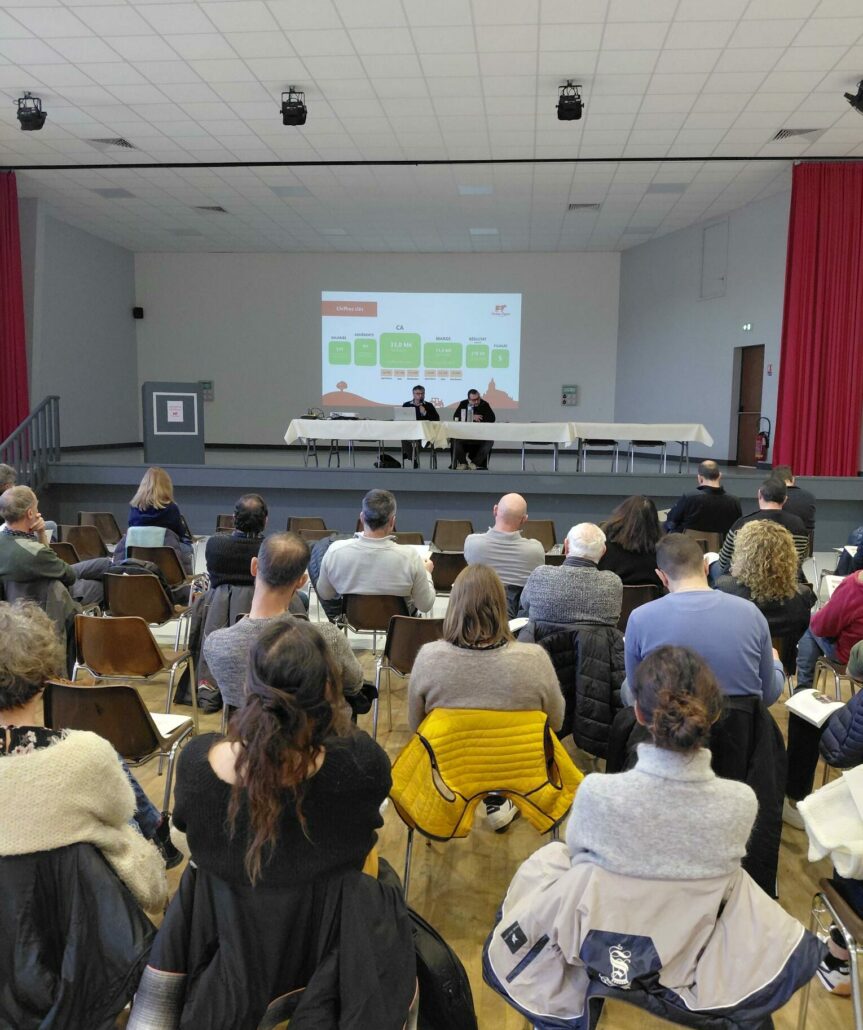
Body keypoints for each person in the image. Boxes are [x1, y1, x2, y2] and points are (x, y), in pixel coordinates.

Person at [177, 619, 390, 887]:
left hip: (222, 914)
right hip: (332, 911)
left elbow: (184, 826)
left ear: (248, 687)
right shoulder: (362, 763)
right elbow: (369, 821)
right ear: (327, 689)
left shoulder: (195, 763)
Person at [0, 601, 168, 910]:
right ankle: (162, 835)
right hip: (78, 914)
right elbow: (121, 814)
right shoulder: (86, 753)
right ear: (44, 680)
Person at [567, 646, 757, 879]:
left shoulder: (596, 793)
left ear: (637, 712)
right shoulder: (742, 803)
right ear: (714, 715)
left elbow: (576, 858)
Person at [408, 564, 564, 831]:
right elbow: (557, 722)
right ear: (502, 607)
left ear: (454, 605)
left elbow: (416, 726)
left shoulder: (428, 658)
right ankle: (500, 797)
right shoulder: (535, 659)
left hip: (450, 770)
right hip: (521, 768)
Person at [204, 532, 363, 713]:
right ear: (301, 581)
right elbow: (354, 685)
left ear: (254, 566)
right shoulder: (328, 638)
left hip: (249, 729)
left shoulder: (216, 644)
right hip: (313, 729)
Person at [625, 534, 784, 705]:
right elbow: (768, 695)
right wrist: (777, 665)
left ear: (662, 576)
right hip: (741, 720)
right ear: (706, 566)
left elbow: (635, 695)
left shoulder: (639, 618)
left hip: (668, 719)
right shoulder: (751, 613)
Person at [783, 568, 863, 828]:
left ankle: (803, 689)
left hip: (846, 660)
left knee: (805, 714)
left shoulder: (855, 587)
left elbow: (855, 665)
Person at [316, 489, 435, 614]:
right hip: (398, 622)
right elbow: (425, 605)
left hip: (352, 621)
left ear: (362, 518)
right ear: (392, 521)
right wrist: (427, 573)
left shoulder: (335, 551)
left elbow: (325, 594)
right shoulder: (411, 558)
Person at [0, 486, 111, 607]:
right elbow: (70, 576)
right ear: (30, 513)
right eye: (36, 508)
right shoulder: (34, 552)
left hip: (23, 595)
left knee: (104, 564)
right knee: (103, 587)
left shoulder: (12, 541)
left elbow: (48, 562)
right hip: (51, 597)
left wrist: (41, 532)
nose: (38, 513)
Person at [714, 519, 815, 644]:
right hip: (786, 656)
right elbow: (800, 632)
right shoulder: (803, 595)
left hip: (742, 654)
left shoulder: (725, 589)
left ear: (742, 554)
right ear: (789, 555)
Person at [519, 523, 622, 625]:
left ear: (566, 546)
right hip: (596, 637)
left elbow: (525, 605)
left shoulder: (540, 575)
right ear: (603, 552)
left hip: (541, 636)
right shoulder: (612, 583)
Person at [463, 493, 545, 615]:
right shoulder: (536, 550)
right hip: (516, 623)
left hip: (478, 619)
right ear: (524, 519)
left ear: (495, 510)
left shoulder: (472, 543)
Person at [714, 476, 809, 576]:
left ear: (759, 494)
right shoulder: (799, 525)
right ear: (785, 499)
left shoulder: (742, 524)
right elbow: (799, 561)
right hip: (785, 580)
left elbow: (723, 561)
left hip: (747, 581)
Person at [128, 466, 193, 564]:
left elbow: (131, 528)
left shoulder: (134, 507)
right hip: (166, 557)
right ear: (167, 486)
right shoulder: (171, 508)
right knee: (187, 546)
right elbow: (179, 533)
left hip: (138, 555)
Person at [598, 495, 663, 588]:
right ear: (654, 521)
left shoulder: (604, 548)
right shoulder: (661, 554)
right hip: (652, 597)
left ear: (621, 515)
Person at [204, 492, 267, 589]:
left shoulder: (214, 544)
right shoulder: (271, 551)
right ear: (265, 520)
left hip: (220, 598)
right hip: (257, 598)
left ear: (234, 518)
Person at [663, 459, 742, 536]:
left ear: (700, 478)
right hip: (721, 544)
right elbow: (738, 529)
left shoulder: (689, 498)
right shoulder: (734, 502)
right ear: (720, 476)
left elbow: (671, 523)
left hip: (689, 544)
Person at [451, 388, 495, 470]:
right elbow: (456, 417)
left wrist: (480, 419)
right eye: (474, 400)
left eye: (478, 398)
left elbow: (492, 418)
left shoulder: (484, 404)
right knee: (454, 440)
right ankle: (463, 463)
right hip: (465, 435)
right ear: (469, 400)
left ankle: (475, 463)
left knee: (490, 441)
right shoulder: (463, 403)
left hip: (479, 436)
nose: (477, 401)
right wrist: (471, 416)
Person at [400, 384, 439, 468]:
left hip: (425, 433)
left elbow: (436, 419)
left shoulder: (429, 405)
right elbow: (401, 418)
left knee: (420, 443)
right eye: (418, 394)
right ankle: (412, 458)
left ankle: (411, 455)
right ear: (413, 394)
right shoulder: (407, 405)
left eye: (422, 393)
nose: (420, 396)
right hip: (410, 432)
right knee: (403, 438)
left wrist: (425, 413)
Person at [773, 464, 816, 535]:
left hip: (779, 539)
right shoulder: (810, 496)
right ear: (793, 479)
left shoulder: (773, 497)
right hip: (803, 540)